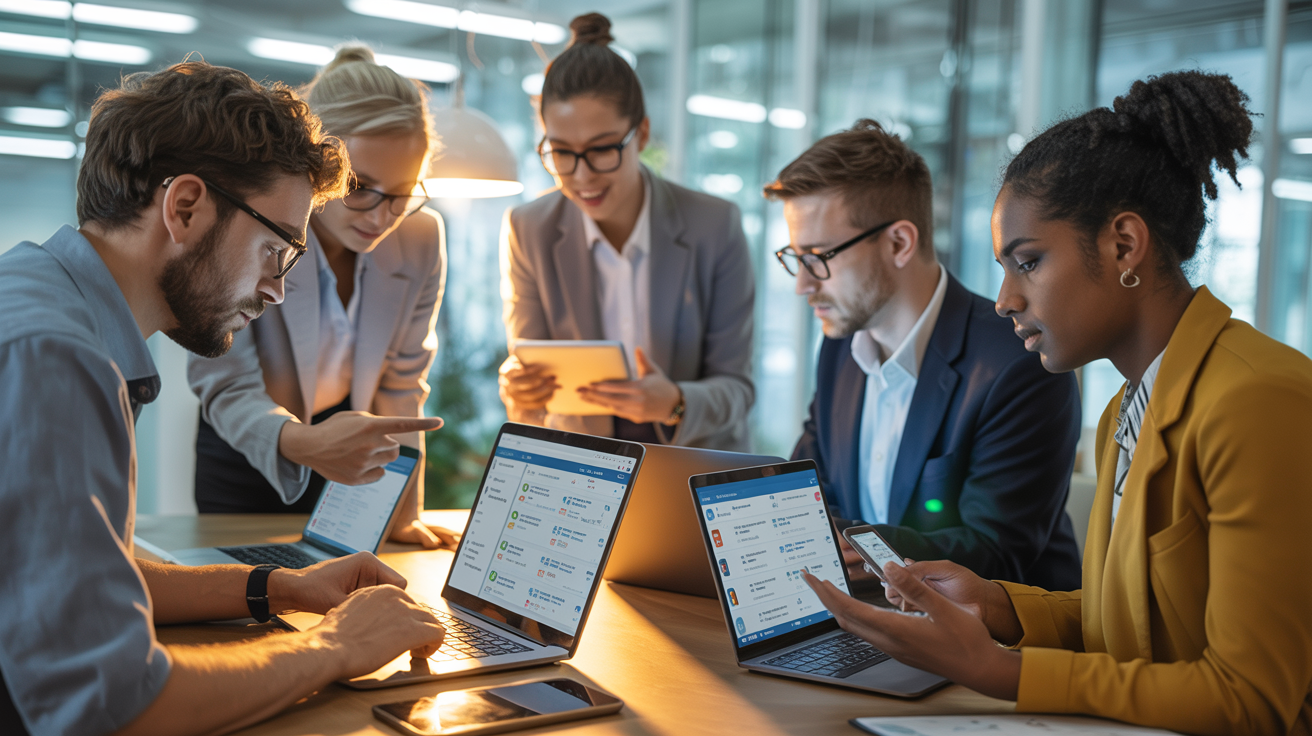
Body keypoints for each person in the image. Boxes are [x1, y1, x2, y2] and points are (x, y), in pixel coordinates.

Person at [804, 71, 1312, 735]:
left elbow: (1250, 699)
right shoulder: (1126, 411)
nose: (1004, 300)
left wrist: (1002, 671)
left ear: (1124, 245)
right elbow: (1123, 627)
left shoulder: (1256, 399)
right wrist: (997, 605)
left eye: (1029, 262)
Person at [0, 62, 445, 736]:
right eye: (275, 249)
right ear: (184, 207)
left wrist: (277, 587)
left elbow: (81, 580)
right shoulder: (58, 358)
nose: (276, 289)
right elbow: (110, 706)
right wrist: (337, 646)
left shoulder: (40, 294)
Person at [768, 120, 1082, 591]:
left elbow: (996, 552)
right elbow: (810, 492)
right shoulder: (838, 349)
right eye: (796, 258)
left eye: (818, 257)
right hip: (866, 615)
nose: (803, 284)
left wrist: (850, 543)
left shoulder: (1018, 362)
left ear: (899, 243)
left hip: (996, 632)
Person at [188, 45, 455, 548]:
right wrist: (304, 443)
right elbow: (225, 384)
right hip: (252, 448)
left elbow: (402, 384)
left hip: (352, 447)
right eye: (359, 186)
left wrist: (403, 512)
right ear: (318, 165)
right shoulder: (248, 227)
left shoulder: (421, 238)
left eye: (402, 193)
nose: (381, 216)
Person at [498, 12, 755, 450]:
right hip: (581, 463)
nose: (582, 176)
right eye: (561, 152)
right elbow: (530, 375)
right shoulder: (529, 229)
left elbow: (738, 388)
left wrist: (675, 403)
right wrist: (519, 389)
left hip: (691, 462)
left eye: (602, 149)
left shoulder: (714, 225)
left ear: (642, 135)